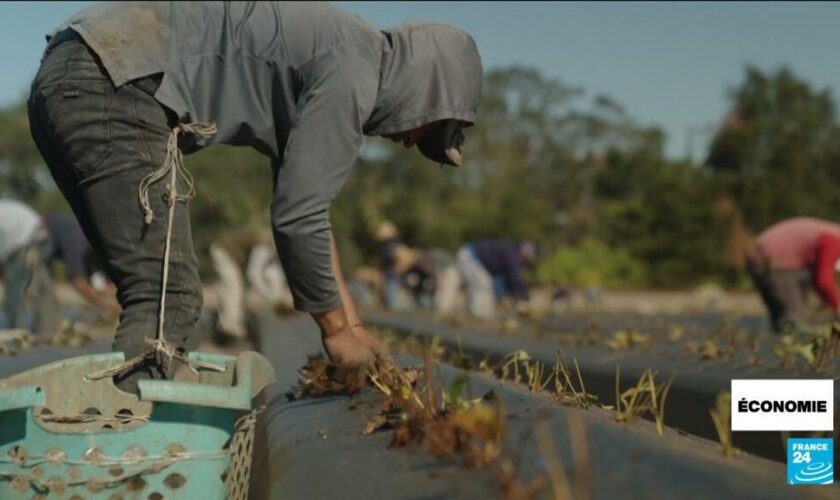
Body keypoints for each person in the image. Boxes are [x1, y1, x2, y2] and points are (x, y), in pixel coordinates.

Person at [28, 2, 482, 389]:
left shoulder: (346, 51)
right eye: (431, 126)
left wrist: (355, 325)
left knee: (149, 290)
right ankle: (130, 461)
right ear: (426, 89)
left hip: (72, 71)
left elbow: (311, 214)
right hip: (112, 80)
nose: (413, 140)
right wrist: (339, 336)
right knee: (169, 294)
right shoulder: (355, 72)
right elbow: (297, 218)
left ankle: (119, 427)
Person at [746, 217, 840, 332]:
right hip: (775, 262)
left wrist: (829, 302)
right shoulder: (833, 240)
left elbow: (817, 278)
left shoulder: (830, 233)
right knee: (795, 320)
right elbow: (824, 280)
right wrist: (836, 306)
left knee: (781, 319)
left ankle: (779, 343)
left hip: (758, 258)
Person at [210, 228, 294, 342]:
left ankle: (236, 327)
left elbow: (272, 273)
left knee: (239, 290)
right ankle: (228, 329)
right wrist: (274, 301)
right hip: (222, 250)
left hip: (235, 255)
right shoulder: (264, 244)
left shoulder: (271, 244)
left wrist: (278, 297)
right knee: (233, 287)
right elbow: (254, 274)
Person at [43, 212, 120, 322]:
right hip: (40, 235)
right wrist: (105, 304)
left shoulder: (99, 246)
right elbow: (77, 281)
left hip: (61, 236)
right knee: (42, 288)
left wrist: (109, 294)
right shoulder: (77, 241)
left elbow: (108, 284)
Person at [0, 200, 57, 336]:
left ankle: (17, 331)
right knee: (41, 287)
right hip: (38, 236)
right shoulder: (7, 209)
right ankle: (46, 330)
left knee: (16, 289)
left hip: (27, 241)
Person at [452, 238, 537, 320]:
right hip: (469, 256)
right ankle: (478, 317)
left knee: (484, 283)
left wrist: (499, 297)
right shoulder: (512, 254)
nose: (525, 263)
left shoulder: (504, 259)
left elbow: (499, 280)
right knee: (483, 283)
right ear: (524, 253)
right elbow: (516, 278)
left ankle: (477, 315)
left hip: (470, 257)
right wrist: (524, 298)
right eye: (526, 259)